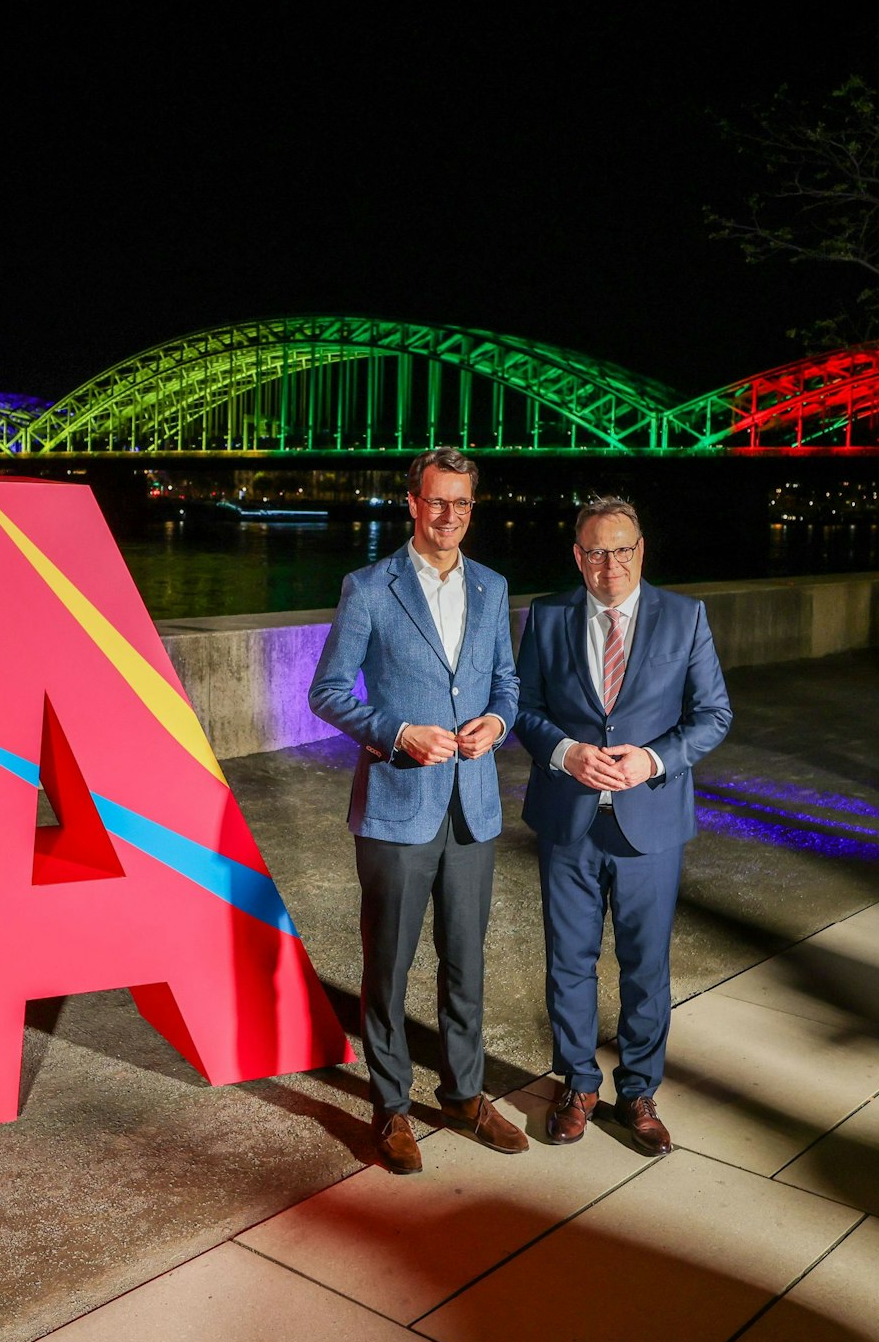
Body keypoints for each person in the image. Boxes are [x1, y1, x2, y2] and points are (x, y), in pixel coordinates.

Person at [309, 448, 525, 1174]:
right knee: (389, 965)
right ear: (412, 503)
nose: (449, 516)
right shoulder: (370, 587)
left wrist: (498, 722)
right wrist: (397, 732)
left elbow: (505, 683)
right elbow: (328, 692)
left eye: (461, 504)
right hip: (397, 805)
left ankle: (464, 1095)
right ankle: (391, 1105)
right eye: (437, 501)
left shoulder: (492, 586)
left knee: (465, 963)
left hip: (473, 808)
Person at [513, 496, 732, 1155]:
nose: (611, 564)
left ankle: (638, 1091)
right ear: (578, 557)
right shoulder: (548, 616)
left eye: (623, 549)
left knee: (645, 965)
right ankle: (578, 1085)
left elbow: (713, 714)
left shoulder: (685, 616)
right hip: (568, 818)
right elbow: (523, 708)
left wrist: (653, 759)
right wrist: (565, 752)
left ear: (642, 550)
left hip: (650, 822)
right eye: (596, 552)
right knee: (568, 960)